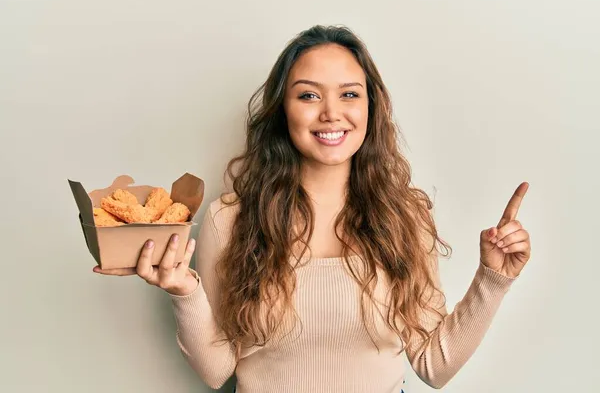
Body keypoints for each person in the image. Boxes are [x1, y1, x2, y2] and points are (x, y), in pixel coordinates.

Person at [94, 25, 532, 393]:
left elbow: (434, 365)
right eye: (308, 96)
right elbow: (216, 370)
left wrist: (494, 279)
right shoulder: (231, 219)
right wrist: (183, 292)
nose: (331, 113)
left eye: (349, 94)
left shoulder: (405, 217)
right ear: (282, 110)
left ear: (371, 107)